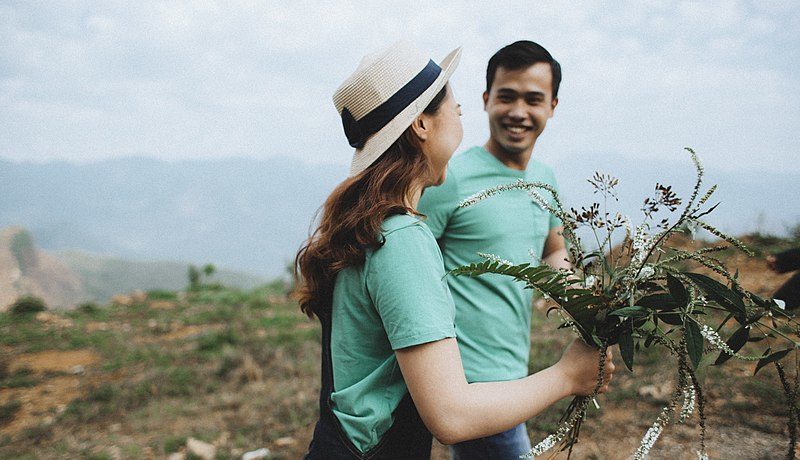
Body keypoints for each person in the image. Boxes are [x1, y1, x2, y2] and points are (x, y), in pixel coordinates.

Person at [296, 42, 613, 460]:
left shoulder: (378, 225)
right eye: (454, 104)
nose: (461, 113)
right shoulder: (403, 237)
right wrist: (569, 374)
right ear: (422, 125)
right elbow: (451, 416)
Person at [417, 40, 568, 459]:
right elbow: (409, 265)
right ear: (486, 100)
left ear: (552, 106)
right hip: (468, 381)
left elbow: (554, 248)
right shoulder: (451, 179)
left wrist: (588, 300)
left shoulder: (545, 178)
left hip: (513, 376)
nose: (518, 111)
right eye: (506, 96)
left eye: (533, 99)